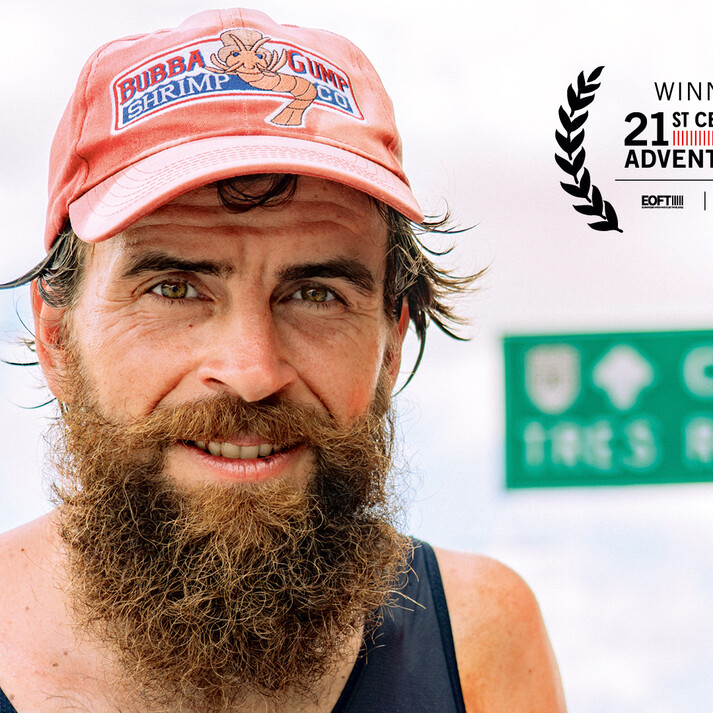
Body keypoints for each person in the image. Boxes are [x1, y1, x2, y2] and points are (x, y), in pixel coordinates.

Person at [0, 8, 566, 713]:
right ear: (56, 340)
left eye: (314, 293)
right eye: (174, 288)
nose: (251, 369)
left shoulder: (478, 638)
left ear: (390, 346)